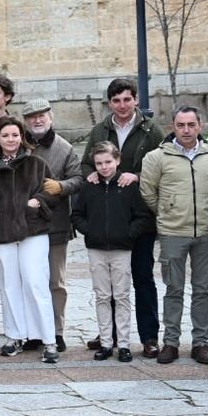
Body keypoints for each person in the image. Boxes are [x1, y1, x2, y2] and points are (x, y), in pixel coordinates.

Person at [82, 78, 166, 352]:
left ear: (136, 100)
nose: (122, 105)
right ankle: (112, 335)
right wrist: (92, 174)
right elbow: (85, 164)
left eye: (127, 99)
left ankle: (149, 336)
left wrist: (138, 175)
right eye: (116, 100)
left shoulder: (151, 131)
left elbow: (165, 166)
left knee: (142, 277)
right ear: (109, 103)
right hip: (109, 215)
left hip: (140, 214)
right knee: (109, 283)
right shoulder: (100, 130)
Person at [139, 106, 208, 365]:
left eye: (191, 125)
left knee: (203, 289)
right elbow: (148, 191)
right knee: (173, 289)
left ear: (200, 126)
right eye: (180, 125)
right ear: (173, 127)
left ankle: (200, 342)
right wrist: (167, 212)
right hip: (173, 232)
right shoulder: (157, 157)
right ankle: (171, 342)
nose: (186, 130)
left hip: (206, 232)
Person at [0, 116, 56, 360]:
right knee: (9, 285)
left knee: (35, 282)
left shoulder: (37, 164)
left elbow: (53, 192)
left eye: (15, 135)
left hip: (32, 230)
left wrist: (37, 202)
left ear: (22, 137)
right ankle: (15, 335)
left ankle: (48, 340)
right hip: (1, 232)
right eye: (5, 135)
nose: (11, 139)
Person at [73, 142, 152, 362]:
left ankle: (124, 344)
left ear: (117, 161)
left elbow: (142, 216)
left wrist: (128, 233)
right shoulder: (90, 186)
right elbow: (77, 214)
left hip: (121, 248)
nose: (104, 167)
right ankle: (106, 342)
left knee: (122, 296)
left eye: (108, 162)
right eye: (99, 163)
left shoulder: (128, 186)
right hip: (97, 248)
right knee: (102, 296)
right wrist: (90, 231)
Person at [22, 99, 82, 351]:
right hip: (23, 226)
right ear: (25, 121)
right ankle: (34, 331)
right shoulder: (20, 145)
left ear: (51, 118)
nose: (37, 120)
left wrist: (61, 187)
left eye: (42, 115)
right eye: (32, 116)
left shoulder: (64, 148)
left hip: (55, 225)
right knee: (29, 280)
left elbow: (78, 178)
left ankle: (56, 331)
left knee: (55, 282)